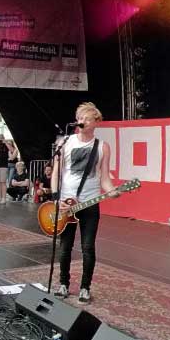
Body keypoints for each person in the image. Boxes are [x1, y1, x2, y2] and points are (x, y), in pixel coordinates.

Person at [50, 102, 118, 304]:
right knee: (65, 246)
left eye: (87, 118)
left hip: (89, 203)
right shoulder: (64, 142)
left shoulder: (102, 147)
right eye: (80, 117)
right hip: (66, 203)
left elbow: (104, 177)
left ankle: (85, 287)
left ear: (96, 122)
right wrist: (55, 199)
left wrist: (112, 190)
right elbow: (56, 172)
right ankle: (63, 283)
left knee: (88, 247)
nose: (82, 121)